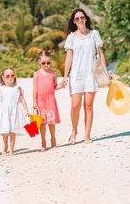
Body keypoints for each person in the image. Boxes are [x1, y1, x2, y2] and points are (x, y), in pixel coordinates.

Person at [61, 8, 113, 144]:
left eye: (82, 17)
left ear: (86, 18)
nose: (80, 20)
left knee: (88, 106)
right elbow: (69, 57)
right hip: (76, 75)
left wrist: (106, 73)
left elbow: (100, 54)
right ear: (74, 21)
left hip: (91, 74)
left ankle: (87, 136)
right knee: (74, 106)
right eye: (77, 18)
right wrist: (65, 76)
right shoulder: (71, 37)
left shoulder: (94, 34)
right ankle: (74, 131)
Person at [0, 67, 30, 156]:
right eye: (8, 76)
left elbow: (22, 99)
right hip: (5, 112)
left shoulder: (17, 88)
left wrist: (27, 110)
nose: (10, 77)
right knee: (5, 131)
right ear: (3, 77)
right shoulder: (1, 89)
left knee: (13, 131)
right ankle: (5, 146)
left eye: (12, 75)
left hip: (15, 112)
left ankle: (11, 150)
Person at [33, 50, 63, 151]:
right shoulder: (36, 74)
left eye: (48, 63)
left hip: (50, 99)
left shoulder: (53, 73)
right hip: (40, 100)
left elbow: (55, 86)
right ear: (39, 62)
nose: (46, 65)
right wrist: (34, 102)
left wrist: (61, 86)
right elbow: (35, 89)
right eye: (43, 63)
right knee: (42, 122)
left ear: (50, 61)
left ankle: (53, 139)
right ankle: (43, 142)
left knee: (51, 121)